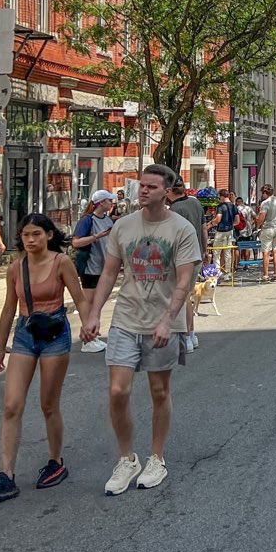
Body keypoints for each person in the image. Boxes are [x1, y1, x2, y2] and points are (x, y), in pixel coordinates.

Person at [80, 164, 201, 496]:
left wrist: (168, 320)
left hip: (163, 321)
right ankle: (127, 458)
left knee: (159, 392)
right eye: (141, 185)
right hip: (126, 318)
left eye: (151, 186)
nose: (143, 190)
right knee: (118, 391)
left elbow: (185, 281)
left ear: (167, 191)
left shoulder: (181, 229)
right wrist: (94, 315)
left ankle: (157, 458)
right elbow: (108, 274)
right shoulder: (123, 226)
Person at [0, 214, 88, 502]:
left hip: (55, 334)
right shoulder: (16, 268)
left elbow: (79, 298)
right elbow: (7, 310)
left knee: (48, 404)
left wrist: (90, 327)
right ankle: (6, 475)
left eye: (36, 234)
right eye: (26, 234)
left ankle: (55, 461)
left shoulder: (61, 262)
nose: (30, 239)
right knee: (11, 405)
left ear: (49, 235)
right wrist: (1, 348)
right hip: (25, 334)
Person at [71, 190, 115, 353]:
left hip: (104, 267)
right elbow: (76, 242)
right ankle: (88, 339)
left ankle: (92, 335)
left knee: (97, 303)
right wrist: (96, 236)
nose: (112, 204)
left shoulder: (108, 220)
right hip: (90, 267)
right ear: (101, 202)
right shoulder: (87, 220)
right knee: (88, 304)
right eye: (109, 201)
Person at [166, 176, 206, 352]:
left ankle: (186, 336)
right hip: (197, 254)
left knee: (181, 298)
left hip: (182, 258)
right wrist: (205, 250)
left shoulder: (175, 209)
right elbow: (204, 229)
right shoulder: (195, 203)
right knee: (187, 296)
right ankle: (191, 335)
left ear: (169, 191)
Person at [255, 184, 276, 283]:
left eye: (262, 193)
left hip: (268, 228)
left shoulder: (265, 203)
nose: (262, 195)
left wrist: (257, 226)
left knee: (266, 252)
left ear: (265, 193)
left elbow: (262, 218)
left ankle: (265, 274)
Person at [208, 189, 238, 274]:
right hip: (230, 231)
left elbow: (218, 219)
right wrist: (231, 225)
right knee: (227, 252)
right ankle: (228, 272)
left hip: (221, 231)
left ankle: (217, 272)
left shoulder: (221, 206)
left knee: (216, 252)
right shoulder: (233, 206)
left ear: (221, 196)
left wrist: (209, 225)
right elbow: (237, 220)